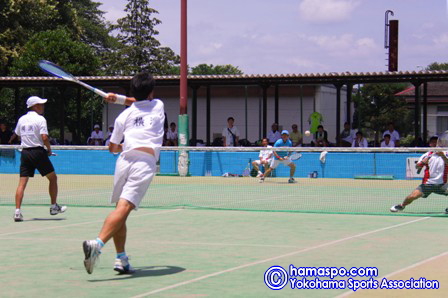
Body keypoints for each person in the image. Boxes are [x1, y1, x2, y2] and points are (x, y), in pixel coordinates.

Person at [82, 72, 165, 275]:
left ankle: (122, 259)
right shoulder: (159, 105)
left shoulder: (123, 116)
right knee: (125, 207)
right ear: (152, 91)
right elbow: (140, 101)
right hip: (143, 162)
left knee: (121, 210)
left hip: (123, 161)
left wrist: (118, 99)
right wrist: (118, 99)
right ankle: (97, 244)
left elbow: (112, 148)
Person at [13, 96, 67, 222]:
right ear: (35, 106)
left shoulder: (22, 119)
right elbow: (44, 137)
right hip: (38, 152)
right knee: (53, 178)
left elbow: (18, 134)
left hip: (25, 153)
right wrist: (49, 150)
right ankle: (54, 207)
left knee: (22, 183)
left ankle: (17, 212)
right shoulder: (40, 119)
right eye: (41, 104)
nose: (43, 106)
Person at [390, 147, 448, 212]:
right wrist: (423, 163)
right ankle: (401, 206)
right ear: (430, 145)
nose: (435, 145)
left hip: (443, 184)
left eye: (436, 142)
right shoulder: (426, 155)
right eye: (432, 143)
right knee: (412, 196)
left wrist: (443, 156)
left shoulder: (446, 153)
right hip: (427, 184)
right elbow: (417, 166)